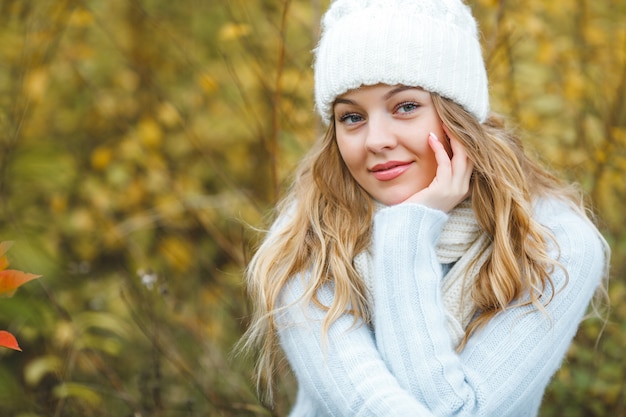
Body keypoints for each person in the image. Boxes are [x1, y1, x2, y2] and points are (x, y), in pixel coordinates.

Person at [240, 0, 610, 415]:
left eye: (406, 107)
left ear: (459, 114)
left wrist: (404, 237)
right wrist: (412, 230)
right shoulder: (308, 236)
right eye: (351, 117)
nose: (376, 139)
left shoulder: (554, 243)